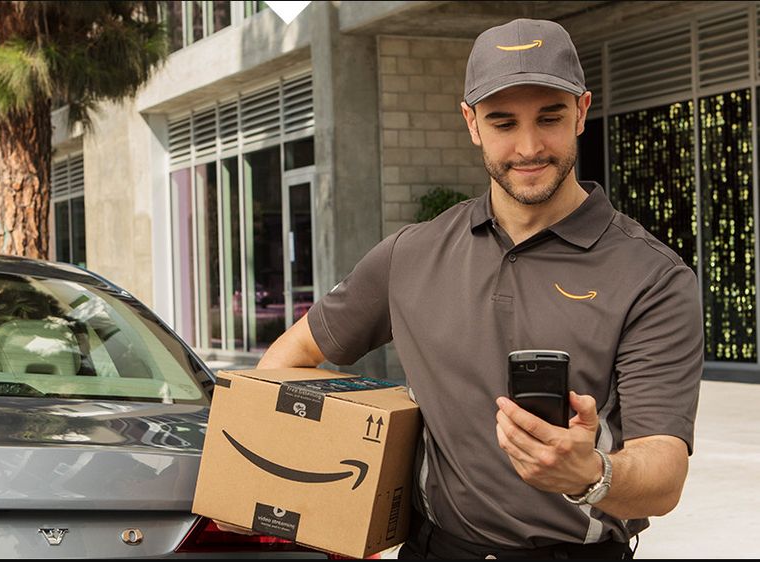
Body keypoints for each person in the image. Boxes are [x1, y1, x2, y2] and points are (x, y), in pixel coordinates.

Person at [252, 18, 704, 559]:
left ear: (582, 112)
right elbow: (286, 362)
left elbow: (665, 474)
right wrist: (337, 496)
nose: (529, 146)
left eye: (550, 118)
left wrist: (592, 473)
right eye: (503, 122)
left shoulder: (652, 276)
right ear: (471, 123)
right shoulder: (410, 254)